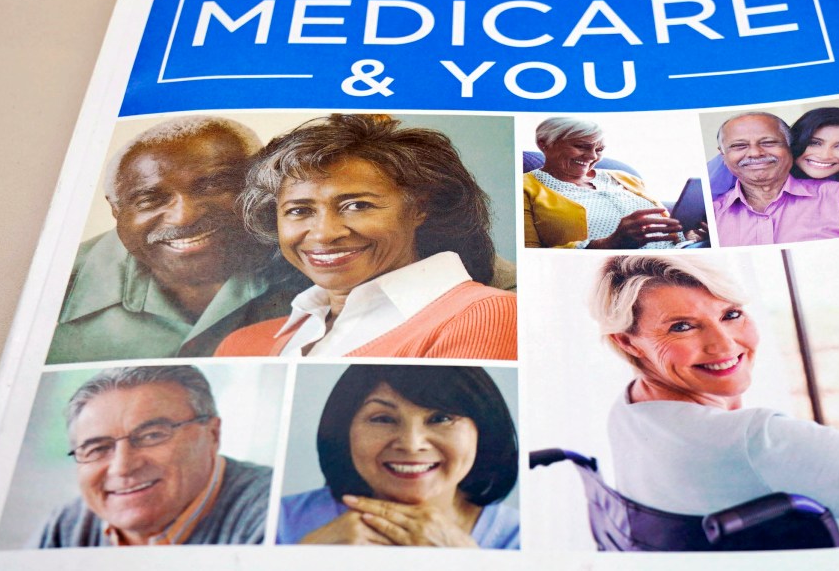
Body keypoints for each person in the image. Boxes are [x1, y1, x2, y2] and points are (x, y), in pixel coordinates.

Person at [590, 255, 839, 545]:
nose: (724, 344)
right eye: (681, 327)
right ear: (627, 342)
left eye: (731, 314)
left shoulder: (629, 408)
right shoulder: (756, 438)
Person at [214, 114, 516, 359]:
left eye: (357, 205)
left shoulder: (484, 314)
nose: (324, 233)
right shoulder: (242, 344)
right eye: (299, 210)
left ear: (420, 208)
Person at [46, 116, 309, 363]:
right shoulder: (51, 288)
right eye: (150, 199)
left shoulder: (318, 258)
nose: (184, 217)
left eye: (213, 186)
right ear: (116, 209)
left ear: (265, 187)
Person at [277, 365, 519, 548]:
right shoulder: (277, 520)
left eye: (441, 418)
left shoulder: (522, 535)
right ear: (343, 431)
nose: (412, 445)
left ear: (484, 429)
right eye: (383, 419)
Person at [31, 366, 272, 547]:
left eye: (152, 436)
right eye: (98, 449)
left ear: (212, 434)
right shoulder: (69, 523)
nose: (122, 467)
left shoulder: (272, 511)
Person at [712, 112, 839, 246]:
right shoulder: (713, 210)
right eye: (739, 145)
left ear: (789, 147)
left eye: (768, 142)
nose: (824, 155)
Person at [523, 116, 686, 249]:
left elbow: (666, 222)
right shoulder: (525, 187)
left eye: (599, 150)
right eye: (581, 146)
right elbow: (529, 254)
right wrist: (609, 243)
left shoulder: (625, 177)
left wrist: (690, 236)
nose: (593, 156)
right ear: (544, 143)